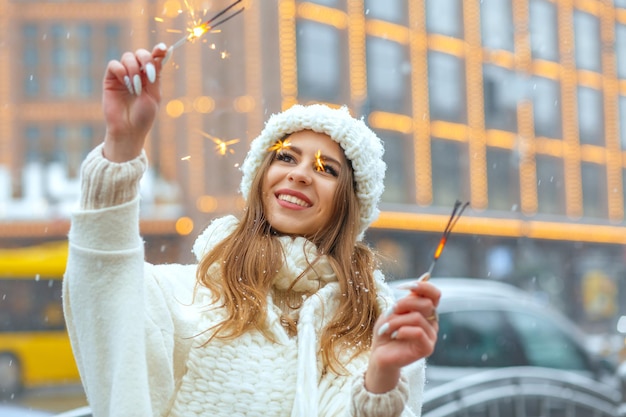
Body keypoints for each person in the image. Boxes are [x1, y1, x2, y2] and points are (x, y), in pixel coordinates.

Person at [62, 43, 441, 417]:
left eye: (326, 169)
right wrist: (122, 146)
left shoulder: (374, 319)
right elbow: (104, 295)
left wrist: (380, 384)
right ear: (260, 178)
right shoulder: (189, 296)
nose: (298, 173)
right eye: (286, 157)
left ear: (350, 205)